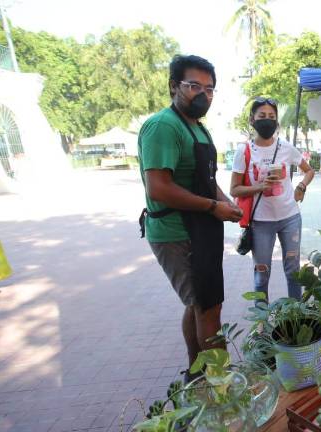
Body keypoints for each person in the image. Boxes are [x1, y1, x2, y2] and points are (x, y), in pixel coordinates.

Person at [138, 55, 242, 380]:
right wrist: (213, 208)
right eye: (194, 86)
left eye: (210, 89)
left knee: (198, 302)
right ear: (174, 86)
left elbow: (208, 181)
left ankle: (198, 375)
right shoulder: (162, 126)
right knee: (208, 308)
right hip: (176, 231)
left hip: (202, 229)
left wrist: (227, 204)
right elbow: (159, 188)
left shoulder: (199, 129)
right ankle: (223, 386)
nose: (203, 95)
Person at [230, 98, 315, 300]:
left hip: (290, 218)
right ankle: (261, 326)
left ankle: (295, 317)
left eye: (271, 117)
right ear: (252, 120)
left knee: (294, 273)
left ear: (277, 122)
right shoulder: (244, 151)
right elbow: (234, 189)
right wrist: (260, 186)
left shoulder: (286, 147)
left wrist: (301, 186)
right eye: (262, 116)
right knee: (261, 275)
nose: (267, 120)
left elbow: (309, 170)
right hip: (260, 223)